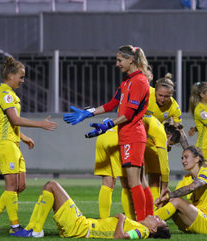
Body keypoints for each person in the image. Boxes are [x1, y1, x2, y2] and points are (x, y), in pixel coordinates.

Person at [63, 45, 153, 222]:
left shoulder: (139, 81)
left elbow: (128, 115)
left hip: (133, 135)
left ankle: (143, 222)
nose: (117, 63)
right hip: (128, 134)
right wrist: (89, 112)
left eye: (120, 60)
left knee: (134, 182)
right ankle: (149, 219)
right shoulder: (127, 81)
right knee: (140, 182)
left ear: (131, 60)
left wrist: (109, 124)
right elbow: (112, 104)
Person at [0, 56, 57, 235]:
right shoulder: (5, 94)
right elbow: (14, 119)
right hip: (4, 144)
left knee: (20, 185)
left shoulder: (12, 94)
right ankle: (15, 227)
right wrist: (40, 124)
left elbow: (10, 123)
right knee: (11, 185)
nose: (23, 81)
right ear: (10, 75)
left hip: (13, 143)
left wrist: (23, 137)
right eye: (21, 77)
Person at [12, 181, 170, 239]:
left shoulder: (143, 232)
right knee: (50, 187)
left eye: (158, 219)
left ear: (154, 229)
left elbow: (119, 237)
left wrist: (121, 218)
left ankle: (34, 230)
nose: (154, 215)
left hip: (81, 227)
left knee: (52, 186)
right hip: (82, 225)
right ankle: (33, 229)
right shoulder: (140, 227)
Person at [154, 146, 207, 234]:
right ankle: (150, 220)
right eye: (182, 158)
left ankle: (147, 223)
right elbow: (172, 198)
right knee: (169, 200)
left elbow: (192, 187)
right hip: (192, 222)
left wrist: (167, 196)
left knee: (176, 200)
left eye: (186, 157)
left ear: (197, 159)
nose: (183, 161)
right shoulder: (187, 178)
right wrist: (161, 200)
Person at [143, 115, 182, 207]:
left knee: (151, 175)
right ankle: (137, 211)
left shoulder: (158, 127)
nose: (169, 147)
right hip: (124, 139)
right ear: (169, 136)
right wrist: (165, 187)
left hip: (123, 136)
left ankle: (149, 209)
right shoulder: (162, 135)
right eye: (170, 144)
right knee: (136, 180)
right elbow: (165, 168)